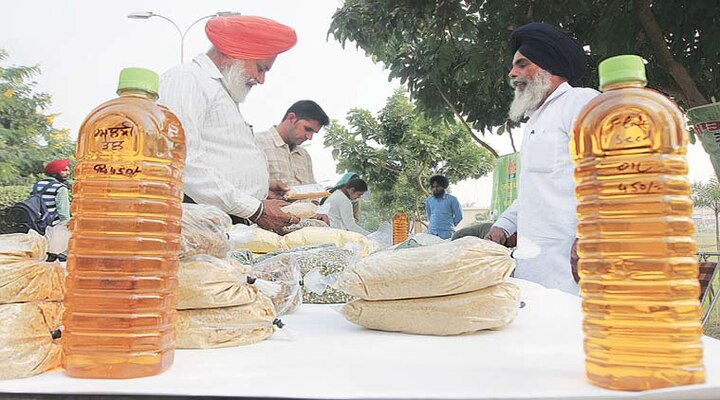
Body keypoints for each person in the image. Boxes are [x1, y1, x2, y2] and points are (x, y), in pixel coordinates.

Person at [159, 15, 304, 233]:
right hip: (202, 223)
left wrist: (260, 189)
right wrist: (255, 209)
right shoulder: (186, 79)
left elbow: (219, 157)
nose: (261, 79)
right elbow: (183, 163)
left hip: (227, 221)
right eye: (260, 68)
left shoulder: (221, 89)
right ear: (233, 53)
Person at [484, 22, 599, 294]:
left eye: (522, 64)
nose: (513, 73)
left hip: (574, 268)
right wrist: (503, 225)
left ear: (549, 67)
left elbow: (610, 174)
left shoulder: (581, 101)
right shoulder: (536, 120)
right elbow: (533, 191)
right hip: (535, 268)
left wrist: (592, 236)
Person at [256, 100, 329, 186]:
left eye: (313, 133)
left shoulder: (304, 155)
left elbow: (313, 192)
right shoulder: (256, 143)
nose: (309, 137)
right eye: (307, 129)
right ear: (291, 118)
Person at [34, 158, 71, 226]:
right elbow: (63, 214)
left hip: (36, 225)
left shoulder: (37, 185)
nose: (68, 173)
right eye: (64, 170)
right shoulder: (60, 188)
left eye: (68, 170)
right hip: (53, 228)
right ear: (54, 172)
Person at [424, 175, 462, 240]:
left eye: (437, 186)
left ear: (444, 186)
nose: (435, 189)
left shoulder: (452, 199)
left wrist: (448, 226)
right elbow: (429, 215)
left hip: (447, 234)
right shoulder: (429, 200)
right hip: (432, 233)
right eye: (433, 187)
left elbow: (459, 216)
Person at [452, 222, 517, 247]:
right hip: (460, 239)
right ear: (512, 234)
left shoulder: (507, 240)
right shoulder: (494, 233)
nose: (514, 245)